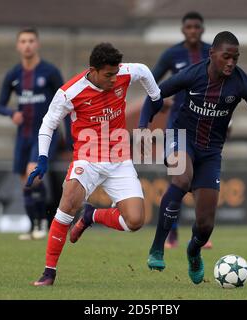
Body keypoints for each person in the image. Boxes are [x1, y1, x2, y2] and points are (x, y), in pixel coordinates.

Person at [139, 31, 247, 284]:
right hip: (181, 137)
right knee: (181, 179)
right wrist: (143, 125)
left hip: (211, 151)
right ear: (212, 54)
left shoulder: (241, 82)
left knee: (205, 224)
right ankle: (158, 247)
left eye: (235, 58)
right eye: (226, 57)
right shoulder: (194, 74)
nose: (231, 63)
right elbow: (155, 95)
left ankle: (193, 252)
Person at [27, 43, 161, 286]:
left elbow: (142, 70)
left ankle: (93, 215)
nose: (113, 80)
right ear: (93, 70)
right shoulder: (70, 92)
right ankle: (49, 272)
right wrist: (43, 157)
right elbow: (48, 124)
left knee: (135, 221)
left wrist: (156, 96)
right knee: (67, 205)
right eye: (108, 75)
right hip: (87, 159)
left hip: (119, 160)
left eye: (115, 74)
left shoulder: (123, 73)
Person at [0, 27, 72, 240]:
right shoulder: (13, 75)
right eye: (23, 41)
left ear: (37, 44)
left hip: (45, 134)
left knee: (34, 176)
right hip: (23, 135)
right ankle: (33, 227)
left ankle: (43, 224)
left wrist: (70, 137)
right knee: (25, 183)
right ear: (18, 46)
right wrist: (12, 114)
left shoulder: (50, 72)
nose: (27, 45)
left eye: (31, 40)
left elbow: (66, 103)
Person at [151, 11, 212, 249]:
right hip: (177, 125)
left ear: (202, 29)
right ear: (183, 30)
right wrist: (160, 99)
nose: (193, 31)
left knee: (201, 180)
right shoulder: (172, 54)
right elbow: (151, 81)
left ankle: (201, 231)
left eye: (197, 27)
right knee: (179, 180)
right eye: (189, 27)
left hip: (206, 125)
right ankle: (172, 234)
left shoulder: (212, 52)